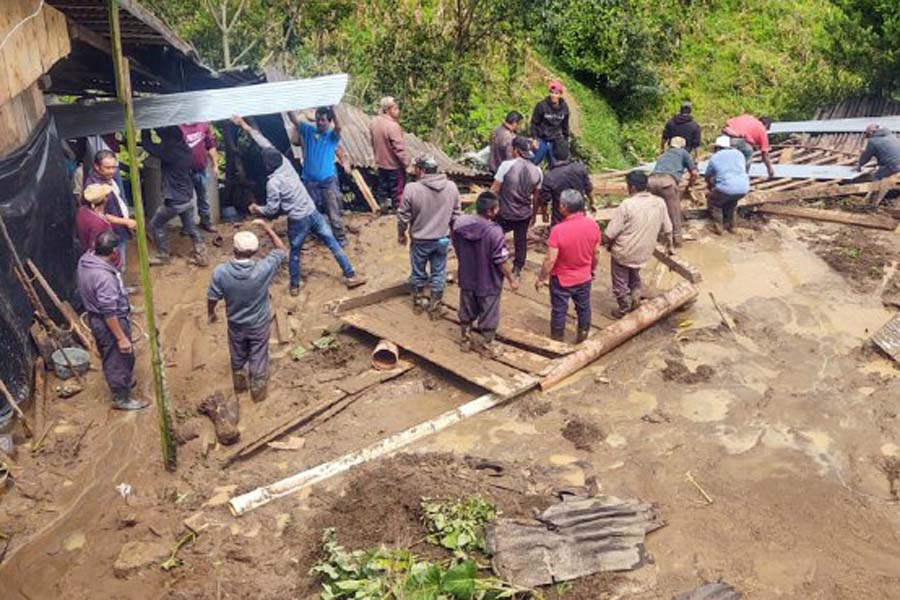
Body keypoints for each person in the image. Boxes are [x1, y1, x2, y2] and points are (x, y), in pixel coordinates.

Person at [231, 114, 366, 295]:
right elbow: (263, 142)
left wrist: (256, 209)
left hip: (298, 219)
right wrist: (244, 125)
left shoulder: (273, 183)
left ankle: (294, 285)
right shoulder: (285, 163)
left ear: (266, 166)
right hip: (312, 211)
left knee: (295, 251)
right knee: (332, 243)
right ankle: (350, 275)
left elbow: (272, 209)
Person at [208, 220, 287, 402]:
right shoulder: (263, 268)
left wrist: (211, 313)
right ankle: (258, 390)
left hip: (235, 323)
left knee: (237, 351)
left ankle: (240, 381)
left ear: (234, 249)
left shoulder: (221, 272)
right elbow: (282, 250)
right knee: (259, 353)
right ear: (255, 251)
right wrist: (267, 228)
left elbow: (212, 297)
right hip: (259, 323)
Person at [77, 230, 148, 411]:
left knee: (115, 355)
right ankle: (121, 397)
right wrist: (120, 337)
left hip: (97, 318)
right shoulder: (104, 278)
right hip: (109, 322)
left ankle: (123, 383)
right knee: (118, 358)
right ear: (114, 251)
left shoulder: (86, 260)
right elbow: (109, 312)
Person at [452, 191, 519, 356]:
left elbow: (456, 246)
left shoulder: (460, 224)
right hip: (488, 280)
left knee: (467, 308)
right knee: (489, 311)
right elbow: (500, 260)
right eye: (496, 208)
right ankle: (487, 345)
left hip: (467, 275)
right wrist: (511, 278)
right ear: (491, 211)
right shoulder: (494, 232)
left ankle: (465, 339)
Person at [397, 155, 461, 318]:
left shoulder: (412, 188)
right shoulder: (452, 187)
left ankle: (419, 303)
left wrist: (401, 234)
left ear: (422, 170)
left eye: (416, 168)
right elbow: (456, 215)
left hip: (420, 240)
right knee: (439, 272)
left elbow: (403, 216)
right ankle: (435, 307)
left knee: (418, 272)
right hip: (442, 239)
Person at [535, 190, 600, 342]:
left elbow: (550, 260)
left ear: (564, 207)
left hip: (562, 279)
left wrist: (541, 278)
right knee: (583, 308)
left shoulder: (558, 230)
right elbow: (596, 253)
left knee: (559, 310)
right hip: (584, 276)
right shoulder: (593, 225)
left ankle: (557, 340)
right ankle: (582, 336)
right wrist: (592, 270)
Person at [604, 171, 672, 318]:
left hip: (624, 251)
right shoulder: (659, 202)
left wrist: (606, 244)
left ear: (633, 187)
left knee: (620, 279)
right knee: (634, 273)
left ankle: (624, 307)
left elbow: (610, 233)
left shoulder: (627, 205)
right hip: (644, 252)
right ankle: (635, 296)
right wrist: (670, 246)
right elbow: (668, 229)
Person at [143, 127, 208, 266]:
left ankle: (163, 255)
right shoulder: (185, 149)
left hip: (175, 199)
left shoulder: (170, 151)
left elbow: (148, 145)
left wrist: (145, 129)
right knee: (190, 226)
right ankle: (201, 254)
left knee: (156, 224)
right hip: (187, 195)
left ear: (168, 138)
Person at [288, 106, 347, 245]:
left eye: (323, 120)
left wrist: (332, 108)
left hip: (327, 180)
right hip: (309, 180)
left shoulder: (332, 136)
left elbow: (339, 126)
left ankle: (340, 238)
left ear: (329, 121)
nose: (320, 122)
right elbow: (294, 120)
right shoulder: (308, 130)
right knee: (310, 210)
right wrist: (288, 107)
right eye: (318, 120)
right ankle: (317, 235)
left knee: (333, 211)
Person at [490, 136, 543, 276]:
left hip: (504, 212)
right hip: (524, 213)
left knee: (496, 237)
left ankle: (496, 261)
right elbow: (537, 197)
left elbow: (494, 189)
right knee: (521, 242)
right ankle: (517, 268)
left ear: (516, 150)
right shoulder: (538, 171)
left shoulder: (506, 166)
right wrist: (534, 214)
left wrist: (488, 209)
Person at [84, 150, 132, 273]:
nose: (112, 171)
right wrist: (126, 221)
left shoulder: (109, 176)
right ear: (96, 166)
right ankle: (119, 287)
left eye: (114, 167)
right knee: (115, 265)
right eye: (107, 167)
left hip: (119, 227)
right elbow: (101, 215)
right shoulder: (94, 189)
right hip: (112, 231)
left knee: (120, 258)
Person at [648, 136, 698, 247]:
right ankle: (677, 240)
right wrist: (690, 185)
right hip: (667, 183)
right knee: (674, 211)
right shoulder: (684, 153)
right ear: (683, 146)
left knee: (654, 210)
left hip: (651, 182)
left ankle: (651, 236)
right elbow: (694, 173)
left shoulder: (663, 155)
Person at [538, 139, 593, 227]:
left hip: (560, 219)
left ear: (554, 155)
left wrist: (544, 214)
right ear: (568, 154)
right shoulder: (580, 169)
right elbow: (588, 189)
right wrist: (592, 203)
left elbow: (544, 200)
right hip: (579, 216)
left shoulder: (550, 176)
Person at [370, 96, 409, 213]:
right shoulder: (392, 126)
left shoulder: (374, 122)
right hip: (394, 165)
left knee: (383, 188)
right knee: (397, 190)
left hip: (381, 163)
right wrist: (406, 163)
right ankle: (397, 211)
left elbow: (372, 142)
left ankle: (384, 207)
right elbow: (399, 148)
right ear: (387, 110)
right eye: (395, 109)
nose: (398, 111)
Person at [76, 183, 136, 259]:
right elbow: (97, 248)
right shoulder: (101, 224)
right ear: (105, 199)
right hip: (100, 261)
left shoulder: (82, 211)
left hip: (86, 253)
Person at [705, 136, 751, 234]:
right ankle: (732, 227)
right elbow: (744, 169)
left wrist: (710, 186)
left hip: (726, 188)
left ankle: (718, 228)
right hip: (743, 187)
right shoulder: (739, 154)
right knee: (732, 204)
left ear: (718, 147)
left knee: (714, 203)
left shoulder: (715, 157)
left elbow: (708, 174)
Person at [179, 122, 219, 233]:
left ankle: (206, 222)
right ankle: (188, 226)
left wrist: (215, 165)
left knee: (203, 197)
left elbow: (210, 146)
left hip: (201, 169)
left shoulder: (203, 125)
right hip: (183, 171)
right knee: (185, 199)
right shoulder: (178, 127)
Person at [530, 81, 570, 167]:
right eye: (551, 92)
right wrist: (534, 138)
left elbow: (565, 126)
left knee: (557, 166)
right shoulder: (541, 106)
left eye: (556, 93)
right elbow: (534, 123)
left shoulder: (565, 108)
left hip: (556, 140)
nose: (553, 95)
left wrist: (566, 140)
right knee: (533, 163)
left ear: (560, 94)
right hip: (542, 139)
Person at [722, 113, 775, 178]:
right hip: (734, 139)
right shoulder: (762, 130)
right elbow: (764, 154)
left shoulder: (747, 117)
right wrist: (769, 168)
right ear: (766, 125)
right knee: (748, 151)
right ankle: (742, 177)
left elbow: (728, 123)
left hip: (723, 136)